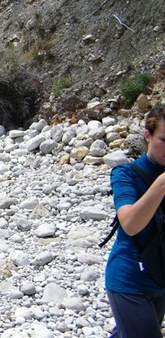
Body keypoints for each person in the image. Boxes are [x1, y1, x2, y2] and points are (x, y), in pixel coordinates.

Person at [105, 105, 165, 337]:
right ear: (147, 136)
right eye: (163, 139)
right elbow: (130, 223)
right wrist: (161, 184)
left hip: (160, 279)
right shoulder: (126, 174)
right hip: (130, 280)